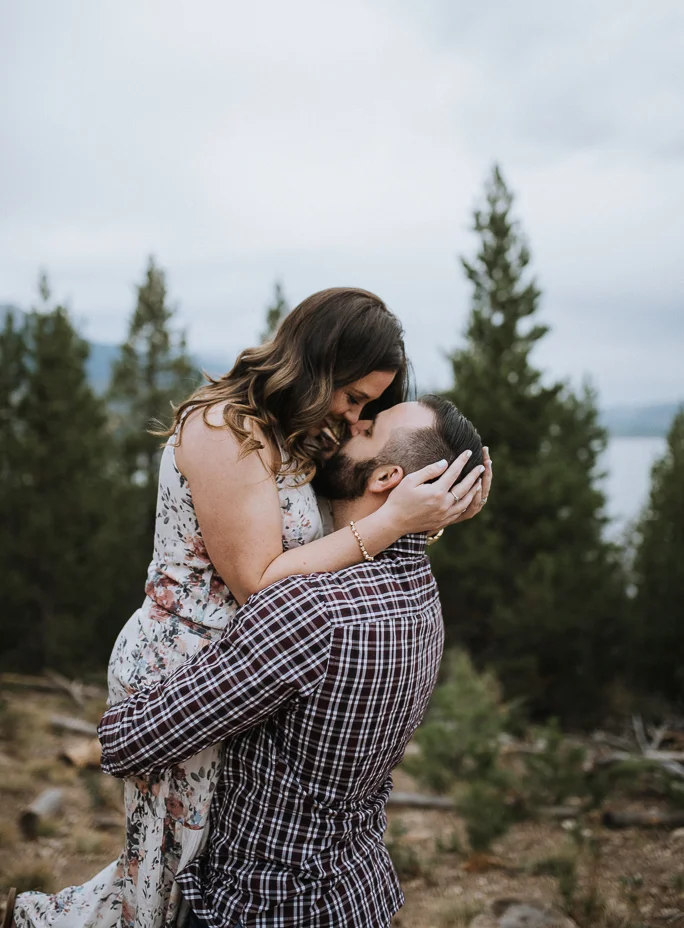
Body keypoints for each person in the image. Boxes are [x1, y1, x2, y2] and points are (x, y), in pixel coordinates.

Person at [12, 290, 490, 928]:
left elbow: (359, 504)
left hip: (257, 660)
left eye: (368, 410)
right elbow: (262, 583)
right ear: (318, 364)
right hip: (186, 664)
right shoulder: (224, 429)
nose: (354, 418)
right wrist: (396, 520)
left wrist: (439, 506)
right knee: (165, 874)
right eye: (354, 398)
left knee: (187, 871)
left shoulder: (308, 430)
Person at [96, 395, 485, 928]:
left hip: (263, 905)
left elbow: (129, 742)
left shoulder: (311, 608)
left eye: (367, 429)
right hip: (355, 892)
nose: (350, 426)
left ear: (386, 478)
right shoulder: (421, 596)